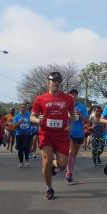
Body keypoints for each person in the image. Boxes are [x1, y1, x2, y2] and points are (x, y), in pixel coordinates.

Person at [31, 71, 75, 200]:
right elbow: (32, 116)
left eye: (58, 81)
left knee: (62, 165)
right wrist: (37, 120)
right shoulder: (40, 99)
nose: (56, 83)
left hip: (62, 135)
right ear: (48, 83)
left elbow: (72, 115)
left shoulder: (68, 98)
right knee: (46, 161)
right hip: (46, 134)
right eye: (54, 81)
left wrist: (70, 124)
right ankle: (49, 188)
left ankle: (54, 165)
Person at [65, 89, 89, 183]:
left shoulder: (81, 107)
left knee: (73, 155)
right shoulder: (65, 106)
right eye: (71, 94)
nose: (73, 96)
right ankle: (69, 173)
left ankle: (69, 171)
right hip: (68, 133)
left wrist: (80, 114)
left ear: (77, 97)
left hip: (79, 133)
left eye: (75, 95)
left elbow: (87, 121)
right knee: (71, 152)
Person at [13, 103, 32, 168]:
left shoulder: (29, 115)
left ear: (26, 108)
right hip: (19, 134)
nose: (23, 109)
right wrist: (19, 122)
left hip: (27, 134)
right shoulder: (17, 116)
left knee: (26, 147)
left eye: (24, 107)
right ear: (20, 108)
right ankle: (21, 162)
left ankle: (27, 161)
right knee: (20, 149)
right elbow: (14, 126)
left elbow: (33, 122)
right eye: (22, 107)